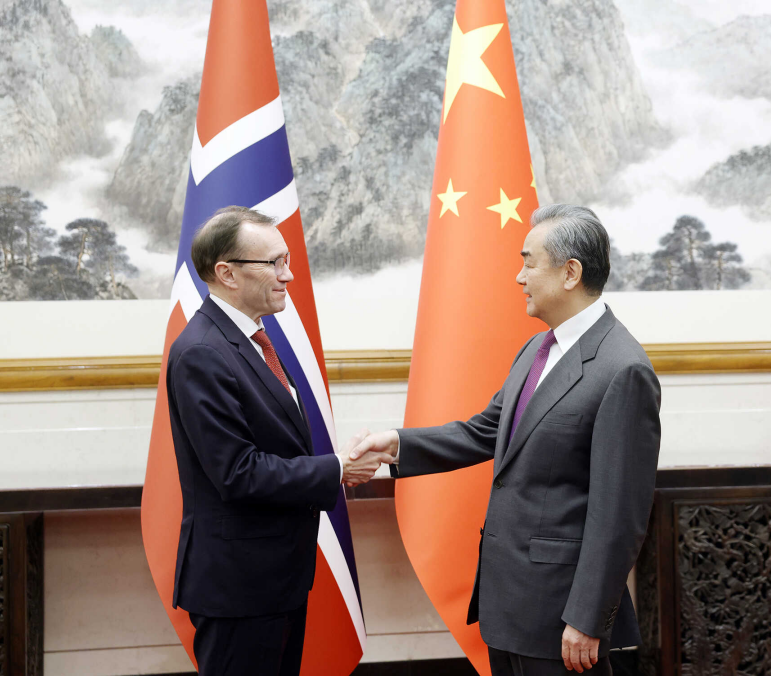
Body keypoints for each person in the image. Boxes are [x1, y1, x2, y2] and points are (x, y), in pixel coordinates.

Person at [347, 205, 662, 676]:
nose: (519, 277)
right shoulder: (538, 348)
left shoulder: (622, 368)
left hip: (563, 618)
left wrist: (588, 618)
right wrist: (394, 445)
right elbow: (485, 431)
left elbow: (619, 515)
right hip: (509, 604)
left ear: (570, 272)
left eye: (529, 262)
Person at [166, 206, 385, 676]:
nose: (288, 275)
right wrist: (337, 468)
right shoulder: (204, 352)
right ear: (226, 272)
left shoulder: (252, 337)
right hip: (239, 585)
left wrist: (338, 466)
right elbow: (237, 472)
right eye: (274, 263)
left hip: (273, 578)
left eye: (287, 260)